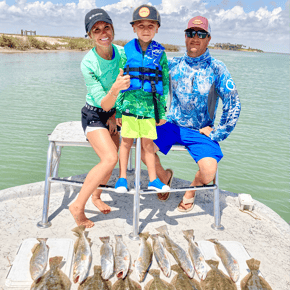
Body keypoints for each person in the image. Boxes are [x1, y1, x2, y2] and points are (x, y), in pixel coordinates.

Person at [149, 16, 241, 209]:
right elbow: (151, 89)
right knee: (142, 145)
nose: (195, 38)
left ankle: (191, 189)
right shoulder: (172, 65)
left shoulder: (217, 68)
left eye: (201, 34)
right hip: (171, 126)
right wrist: (156, 115)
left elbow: (233, 104)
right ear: (185, 37)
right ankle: (164, 177)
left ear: (208, 38)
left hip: (200, 130)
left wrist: (218, 133)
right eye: (191, 33)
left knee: (208, 172)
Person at [69, 8, 130, 228]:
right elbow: (103, 102)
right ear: (90, 35)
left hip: (113, 113)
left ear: (113, 28)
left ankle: (96, 196)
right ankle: (77, 206)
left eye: (106, 27)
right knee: (110, 158)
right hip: (93, 114)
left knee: (110, 162)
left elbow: (129, 91)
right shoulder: (88, 63)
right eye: (96, 30)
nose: (103, 32)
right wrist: (114, 92)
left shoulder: (123, 53)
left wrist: (116, 113)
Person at [114, 4, 171, 193]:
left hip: (149, 108)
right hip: (129, 106)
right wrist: (119, 109)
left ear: (157, 29)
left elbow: (164, 84)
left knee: (148, 145)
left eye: (150, 26)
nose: (145, 30)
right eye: (141, 26)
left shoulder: (160, 54)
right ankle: (122, 178)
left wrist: (162, 112)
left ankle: (154, 179)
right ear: (134, 28)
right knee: (126, 142)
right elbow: (120, 82)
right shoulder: (125, 52)